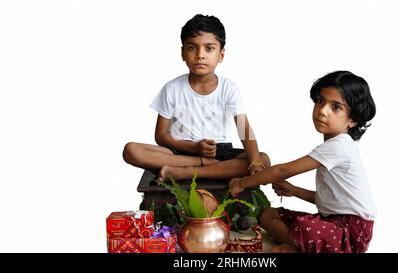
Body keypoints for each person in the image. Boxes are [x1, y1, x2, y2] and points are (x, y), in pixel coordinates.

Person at [229, 71, 377, 253]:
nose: (322, 111)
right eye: (320, 101)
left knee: (304, 227)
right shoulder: (334, 145)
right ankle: (300, 247)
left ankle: (300, 248)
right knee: (268, 215)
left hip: (351, 231)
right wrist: (295, 191)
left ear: (353, 119)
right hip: (330, 221)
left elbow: (282, 170)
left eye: (336, 107)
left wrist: (242, 183)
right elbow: (333, 202)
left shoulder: (340, 146)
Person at [123, 14, 270, 182]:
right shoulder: (172, 88)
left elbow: (244, 129)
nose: (200, 55)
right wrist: (195, 149)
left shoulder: (229, 88)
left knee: (263, 159)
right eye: (192, 48)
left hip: (219, 152)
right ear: (183, 52)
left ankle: (185, 172)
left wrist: (255, 162)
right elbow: (161, 135)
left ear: (221, 54)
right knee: (131, 150)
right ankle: (201, 164)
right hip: (180, 152)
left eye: (209, 48)